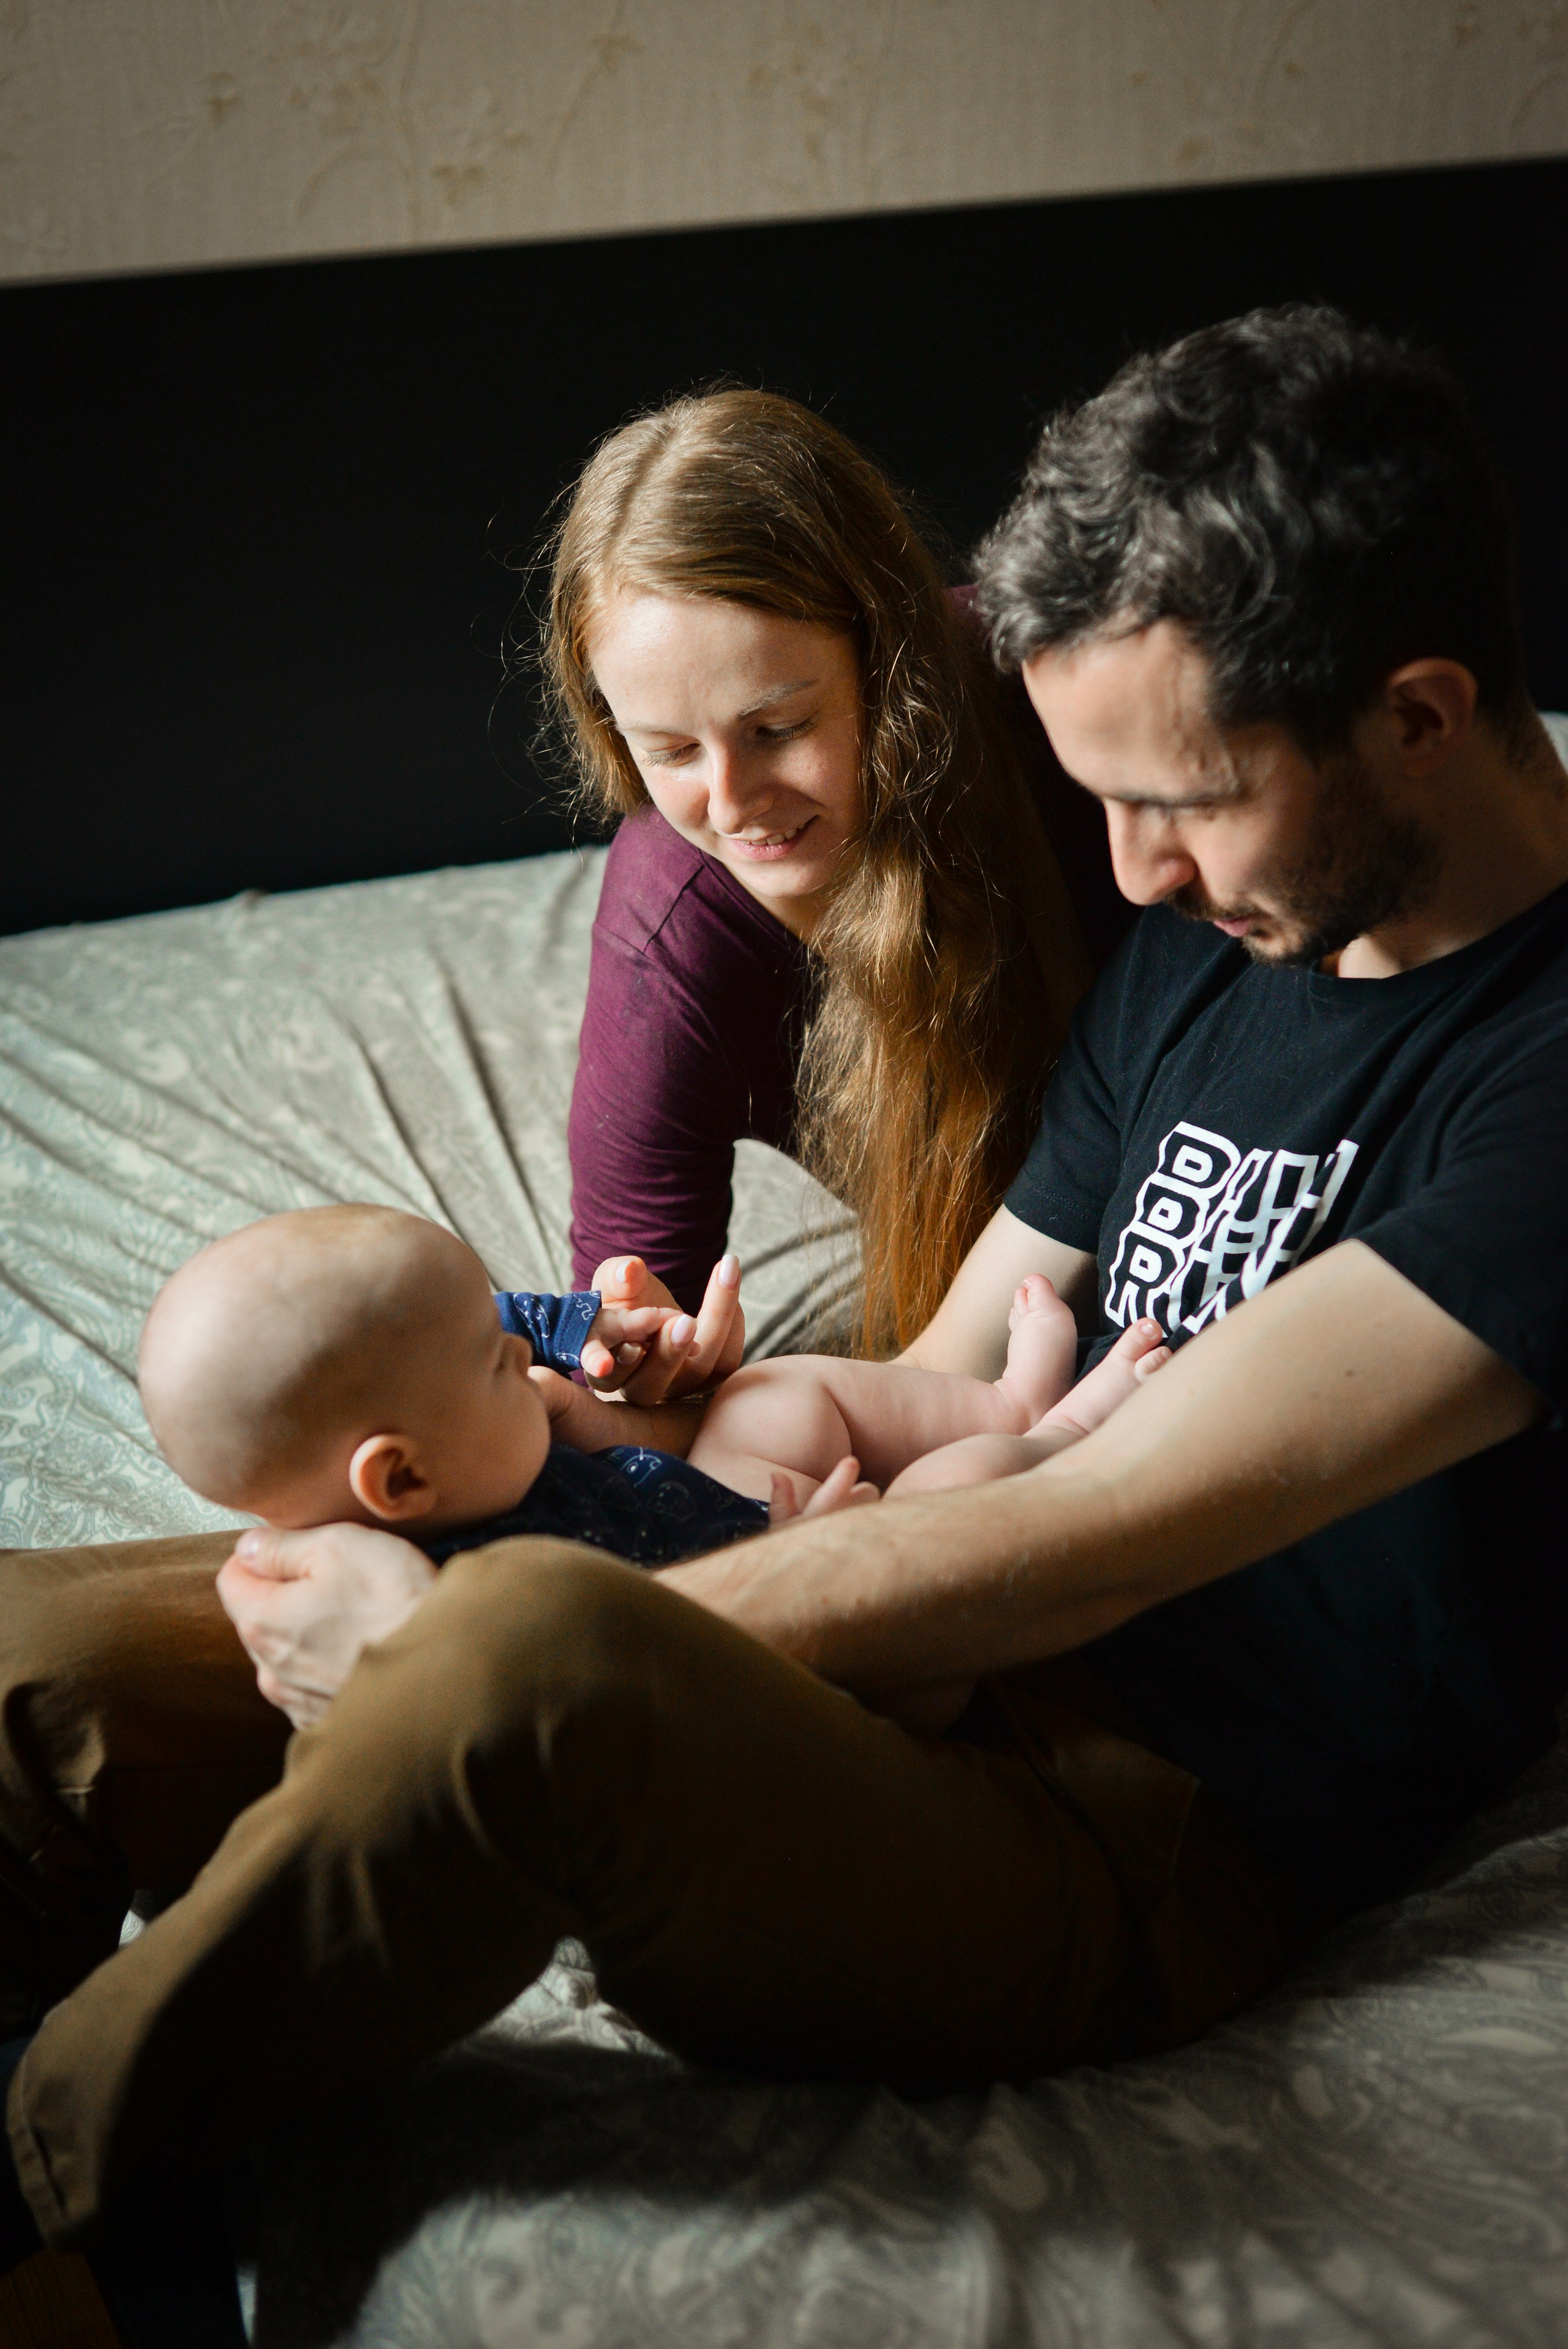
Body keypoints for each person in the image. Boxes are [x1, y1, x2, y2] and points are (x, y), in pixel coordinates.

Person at [3, 307, 1567, 2280]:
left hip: (1135, 1830)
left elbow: (1092, 1532)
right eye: (1097, 800)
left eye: (1180, 797)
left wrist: (449, 1639)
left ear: (1419, 715)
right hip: (913, 1627)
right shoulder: (1219, 948)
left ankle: (27, 2176)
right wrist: (621, 1458)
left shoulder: (1541, 1080)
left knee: (525, 1662)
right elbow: (942, 1373)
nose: (1134, 876)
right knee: (34, 1658)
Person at [549, 386, 1112, 1354]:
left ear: (891, 661)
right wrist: (635, 1366)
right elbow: (628, 1310)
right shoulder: (672, 939)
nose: (731, 807)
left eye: (779, 728)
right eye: (671, 751)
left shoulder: (1068, 696)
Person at [137, 1205, 1170, 1586]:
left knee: (776, 1392)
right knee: (946, 1499)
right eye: (495, 1364)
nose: (520, 1360)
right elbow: (668, 1660)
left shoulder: (458, 1449)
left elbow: (508, 1326)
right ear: (399, 1475)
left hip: (698, 1501)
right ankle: (1064, 1428)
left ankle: (1001, 1401)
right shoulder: (471, 1596)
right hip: (798, 1628)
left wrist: (586, 1344)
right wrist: (803, 1559)